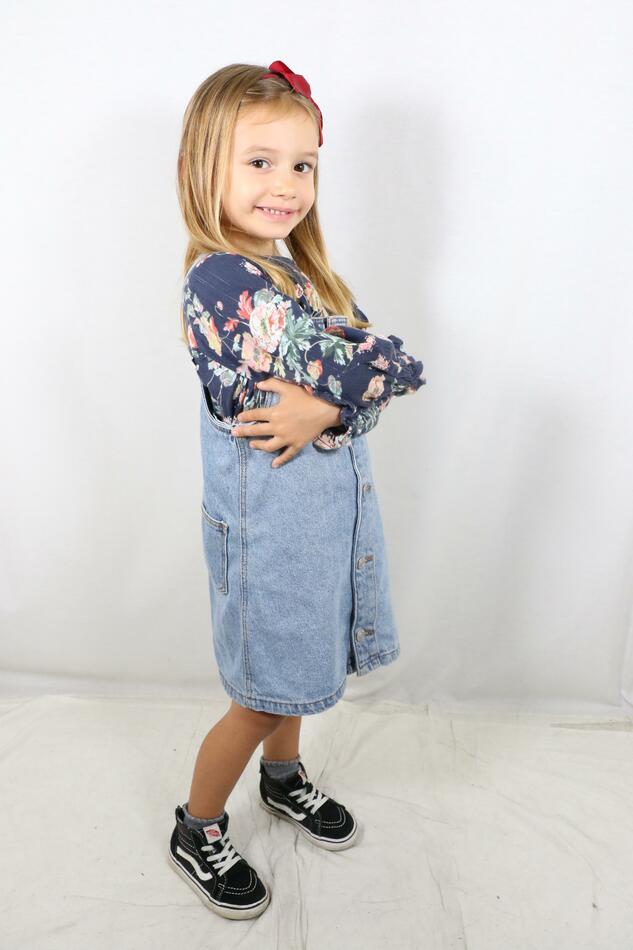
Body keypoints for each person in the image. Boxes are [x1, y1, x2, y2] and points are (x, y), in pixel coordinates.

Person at [168, 59, 427, 920]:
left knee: (300, 665)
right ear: (201, 168)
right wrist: (359, 382)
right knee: (257, 695)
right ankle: (198, 824)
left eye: (302, 165)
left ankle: (282, 778)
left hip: (320, 521)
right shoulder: (221, 282)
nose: (285, 185)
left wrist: (332, 405)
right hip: (270, 530)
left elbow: (354, 392)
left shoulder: (290, 276)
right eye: (259, 162)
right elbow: (378, 368)